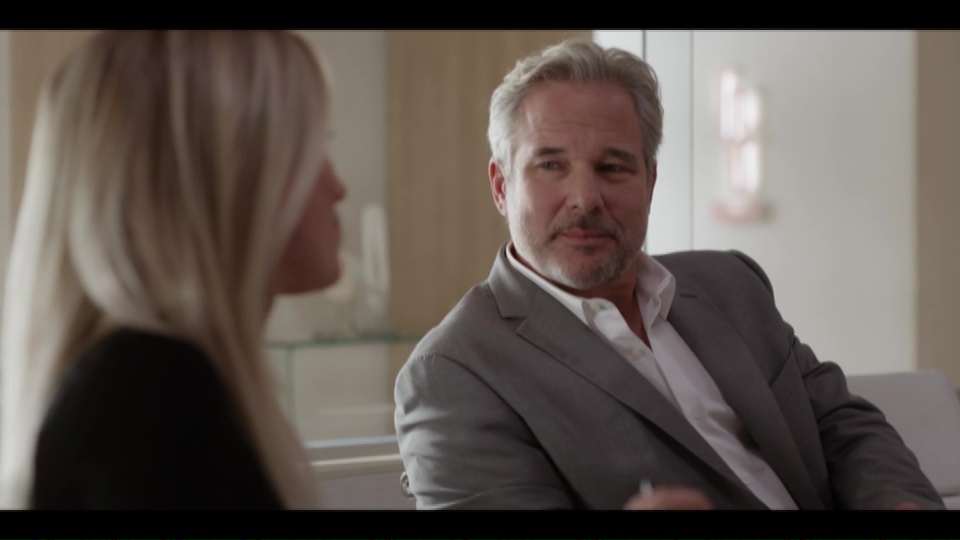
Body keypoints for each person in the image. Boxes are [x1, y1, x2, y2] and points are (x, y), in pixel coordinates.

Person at [393, 38, 944, 510]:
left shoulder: (730, 283)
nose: (585, 198)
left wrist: (900, 502)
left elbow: (843, 427)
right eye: (551, 165)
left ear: (650, 182)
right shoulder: (454, 373)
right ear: (500, 186)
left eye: (612, 167)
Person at [0, 30, 346, 509]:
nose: (338, 185)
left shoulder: (148, 386)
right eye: (314, 150)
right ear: (226, 176)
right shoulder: (155, 398)